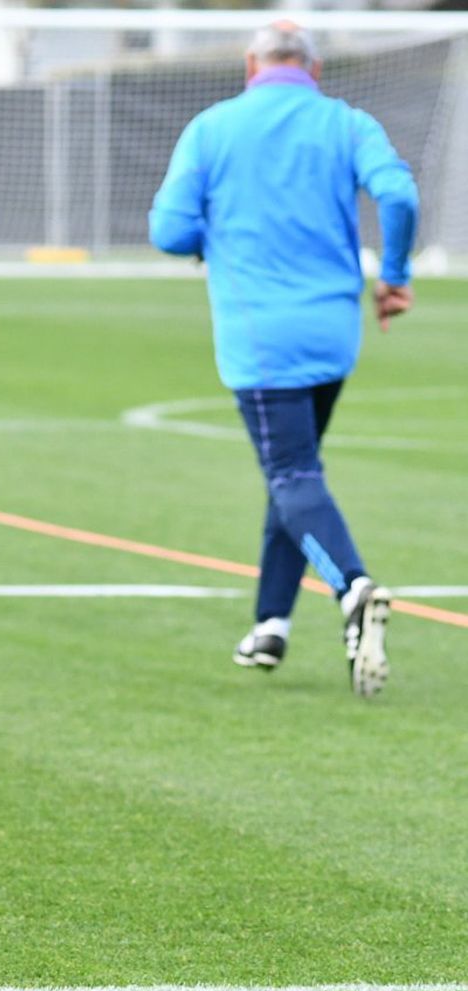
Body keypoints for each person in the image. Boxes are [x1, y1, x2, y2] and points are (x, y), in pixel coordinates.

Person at [148, 20, 418, 698]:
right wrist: (394, 272)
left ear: (250, 64)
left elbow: (168, 231)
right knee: (294, 471)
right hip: (333, 331)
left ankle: (352, 585)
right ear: (314, 70)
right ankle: (271, 622)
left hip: (260, 333)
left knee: (291, 470)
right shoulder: (348, 122)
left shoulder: (212, 128)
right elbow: (401, 194)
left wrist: (212, 235)